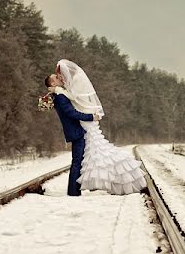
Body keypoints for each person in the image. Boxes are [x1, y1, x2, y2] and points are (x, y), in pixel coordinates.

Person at [46, 59, 146, 196]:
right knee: (79, 161)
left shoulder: (62, 92)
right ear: (52, 83)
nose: (60, 77)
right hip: (78, 130)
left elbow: (72, 100)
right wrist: (92, 117)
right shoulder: (60, 95)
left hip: (80, 129)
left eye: (60, 75)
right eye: (57, 78)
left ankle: (75, 192)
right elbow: (72, 113)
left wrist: (57, 89)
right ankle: (74, 192)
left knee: (83, 160)